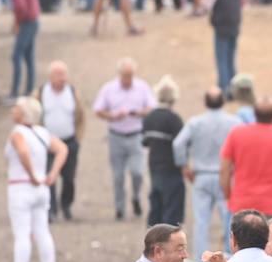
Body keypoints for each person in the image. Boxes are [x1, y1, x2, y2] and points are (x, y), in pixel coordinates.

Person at [3, 98, 67, 262]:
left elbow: (23, 152)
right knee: (42, 231)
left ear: (23, 113)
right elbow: (62, 149)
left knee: (22, 234)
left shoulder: (18, 132)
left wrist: (31, 175)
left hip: (21, 187)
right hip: (41, 190)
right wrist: (52, 174)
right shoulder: (42, 132)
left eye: (16, 108)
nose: (13, 111)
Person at [174, 87, 239, 262]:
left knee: (201, 220)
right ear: (223, 101)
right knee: (228, 219)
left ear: (205, 103)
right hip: (226, 175)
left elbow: (178, 143)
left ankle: (200, 259)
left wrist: (184, 166)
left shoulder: (195, 122)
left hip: (201, 175)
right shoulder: (234, 122)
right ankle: (231, 257)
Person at [219, 96, 272, 219]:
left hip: (241, 204)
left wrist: (228, 196)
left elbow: (224, 170)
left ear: (254, 113)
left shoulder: (236, 133)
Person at [93, 57, 154, 220]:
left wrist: (139, 112)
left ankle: (135, 196)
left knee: (137, 172)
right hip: (116, 135)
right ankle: (119, 207)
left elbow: (152, 107)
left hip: (136, 135)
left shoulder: (142, 87)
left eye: (130, 75)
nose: (128, 78)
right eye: (125, 75)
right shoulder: (109, 89)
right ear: (119, 74)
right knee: (118, 175)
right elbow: (98, 109)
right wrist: (114, 116)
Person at [39, 61, 83, 222]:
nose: (62, 78)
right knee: (49, 175)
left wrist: (78, 138)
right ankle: (51, 208)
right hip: (47, 143)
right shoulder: (41, 93)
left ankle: (66, 205)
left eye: (64, 74)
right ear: (50, 77)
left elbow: (81, 116)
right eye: (58, 75)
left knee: (69, 177)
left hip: (69, 141)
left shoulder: (72, 92)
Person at [142, 75, 185, 226]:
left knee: (156, 207)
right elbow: (181, 145)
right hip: (172, 170)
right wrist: (184, 165)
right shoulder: (174, 119)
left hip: (154, 168)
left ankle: (152, 237)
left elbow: (145, 142)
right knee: (172, 211)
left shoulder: (149, 118)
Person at [210, 0, 242, 95]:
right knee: (231, 59)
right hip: (234, 27)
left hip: (221, 27)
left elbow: (205, 3)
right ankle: (235, 89)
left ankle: (224, 90)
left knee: (222, 60)